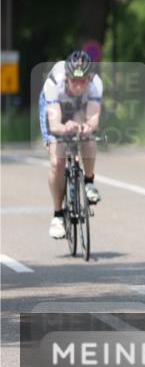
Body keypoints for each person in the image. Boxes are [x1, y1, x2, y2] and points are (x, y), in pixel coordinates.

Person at [39, 51, 103, 239]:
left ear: (89, 79)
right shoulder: (54, 84)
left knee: (88, 137)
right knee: (57, 162)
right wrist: (63, 127)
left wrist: (85, 127)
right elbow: (55, 125)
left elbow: (93, 118)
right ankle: (58, 214)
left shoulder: (95, 85)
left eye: (83, 81)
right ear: (66, 77)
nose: (78, 85)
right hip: (55, 107)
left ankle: (89, 182)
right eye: (74, 80)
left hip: (79, 107)